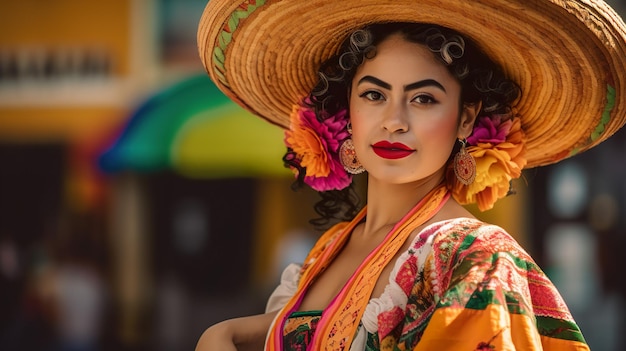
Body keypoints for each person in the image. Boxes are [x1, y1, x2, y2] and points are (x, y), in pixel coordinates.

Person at [195, 0, 626, 350]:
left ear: (465, 118)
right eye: (374, 94)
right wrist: (222, 334)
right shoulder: (331, 247)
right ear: (349, 112)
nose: (394, 121)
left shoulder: (475, 256)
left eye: (423, 99)